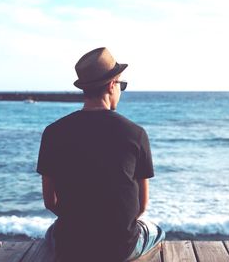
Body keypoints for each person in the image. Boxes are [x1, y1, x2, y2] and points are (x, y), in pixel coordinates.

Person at [37, 47, 165, 261]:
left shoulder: (53, 132)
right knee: (158, 231)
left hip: (72, 246)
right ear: (111, 85)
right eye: (121, 85)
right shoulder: (135, 133)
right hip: (119, 249)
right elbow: (142, 205)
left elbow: (50, 202)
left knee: (52, 232)